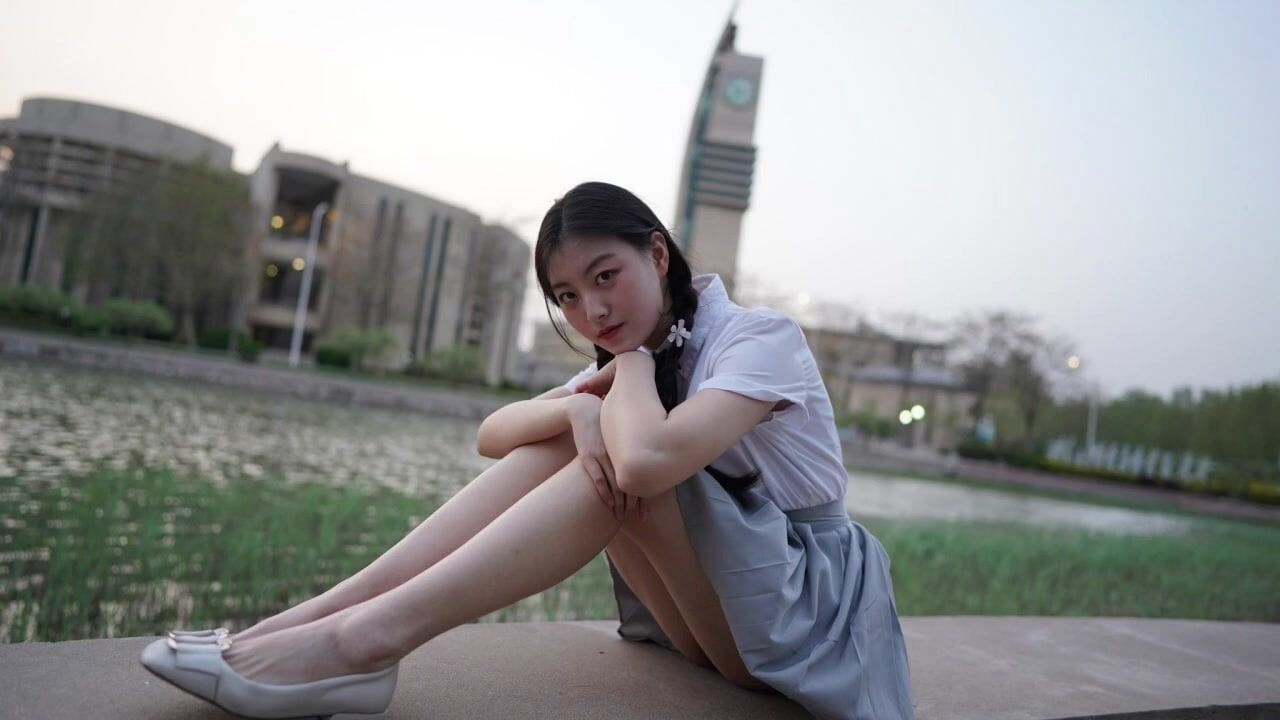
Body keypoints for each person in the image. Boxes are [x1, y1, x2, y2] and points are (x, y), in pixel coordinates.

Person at [140, 181, 915, 720]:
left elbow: (646, 465)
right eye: (568, 296)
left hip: (806, 621)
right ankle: (303, 625)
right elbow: (493, 433)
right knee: (577, 437)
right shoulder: (635, 355)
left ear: (658, 255)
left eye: (605, 277)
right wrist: (577, 411)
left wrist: (626, 374)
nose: (593, 310)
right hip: (714, 617)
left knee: (621, 462)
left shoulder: (757, 339)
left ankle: (364, 643)